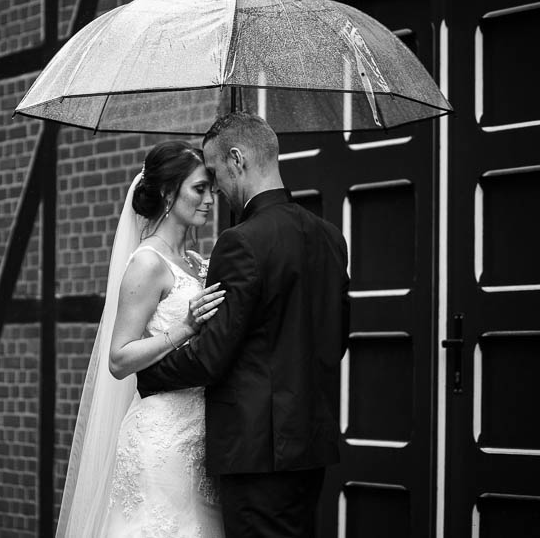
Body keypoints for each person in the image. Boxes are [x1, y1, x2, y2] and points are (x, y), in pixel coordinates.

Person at [137, 112, 351, 538]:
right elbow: (337, 338)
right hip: (311, 446)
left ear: (237, 159)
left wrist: (150, 375)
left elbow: (212, 356)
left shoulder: (241, 242)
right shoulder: (330, 236)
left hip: (256, 453)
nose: (215, 189)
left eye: (214, 174)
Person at [57, 140, 228, 538]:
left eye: (212, 190)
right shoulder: (148, 262)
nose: (210, 199)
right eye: (199, 189)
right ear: (169, 193)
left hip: (202, 434)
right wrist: (183, 328)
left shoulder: (199, 262)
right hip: (162, 436)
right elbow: (118, 358)